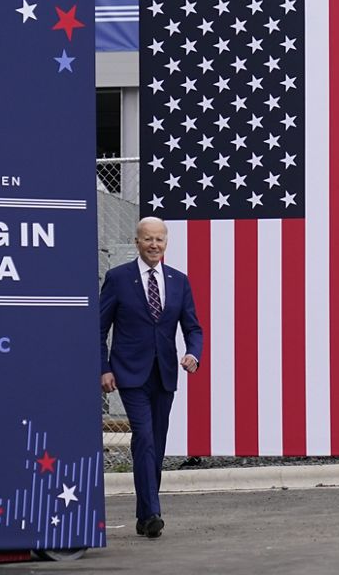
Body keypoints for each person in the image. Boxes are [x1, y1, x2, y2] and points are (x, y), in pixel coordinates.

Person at [100, 216, 203, 539]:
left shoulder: (178, 280)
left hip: (165, 374)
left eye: (159, 239)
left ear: (166, 243)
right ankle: (153, 511)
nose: (154, 245)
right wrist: (103, 368)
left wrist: (193, 353)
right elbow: (98, 328)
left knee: (155, 444)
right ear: (137, 242)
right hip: (129, 375)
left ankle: (145, 515)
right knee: (143, 437)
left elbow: (193, 327)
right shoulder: (118, 279)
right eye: (148, 239)